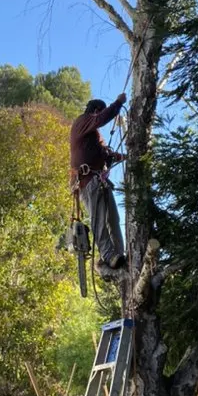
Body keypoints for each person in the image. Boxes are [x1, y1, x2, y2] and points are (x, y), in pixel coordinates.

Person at [70, 94, 127, 270]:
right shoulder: (82, 122)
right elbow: (101, 119)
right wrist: (117, 103)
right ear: (95, 111)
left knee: (113, 218)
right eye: (99, 113)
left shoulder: (93, 138)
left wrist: (126, 156)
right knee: (99, 219)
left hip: (99, 180)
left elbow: (106, 154)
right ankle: (108, 254)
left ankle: (119, 254)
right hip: (88, 181)